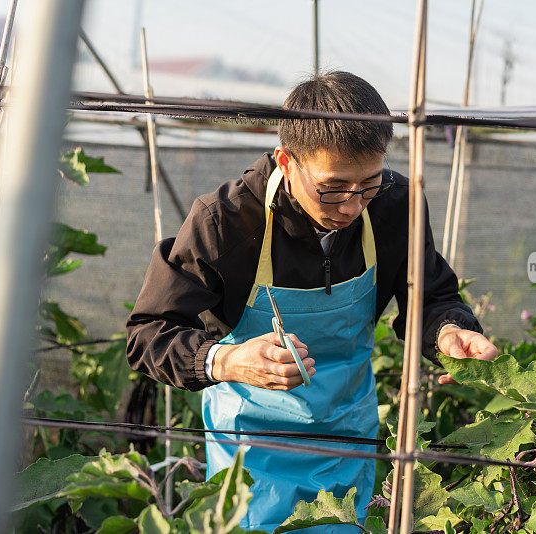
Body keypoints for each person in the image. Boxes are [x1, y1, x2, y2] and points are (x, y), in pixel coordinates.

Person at [126, 71, 499, 532]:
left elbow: (429, 293)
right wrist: (225, 360)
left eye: (368, 183)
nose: (350, 205)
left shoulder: (394, 205)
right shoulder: (225, 222)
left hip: (345, 435)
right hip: (250, 448)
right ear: (286, 161)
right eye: (333, 187)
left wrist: (449, 331)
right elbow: (148, 333)